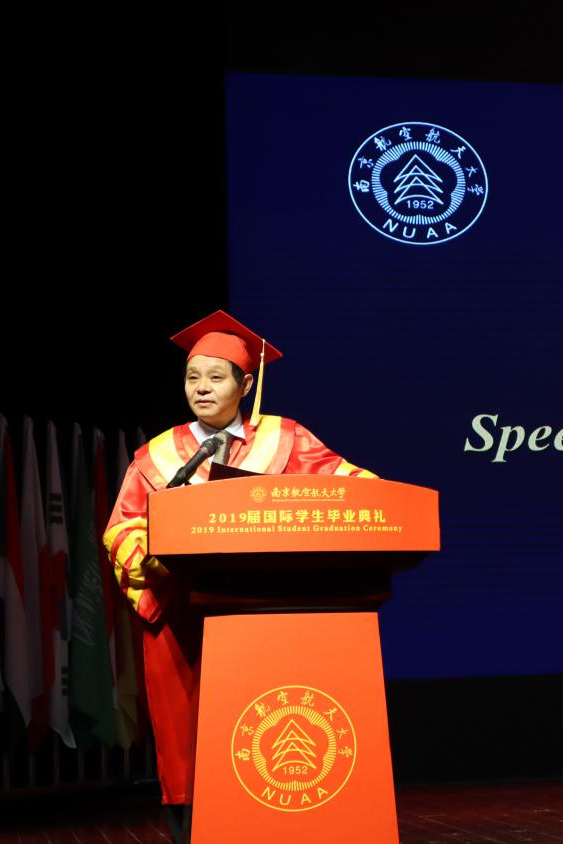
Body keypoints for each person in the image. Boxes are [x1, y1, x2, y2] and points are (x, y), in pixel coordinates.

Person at [102, 310, 375, 841]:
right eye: (192, 377)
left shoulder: (287, 440)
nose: (201, 388)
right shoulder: (159, 456)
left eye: (215, 377)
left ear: (246, 385)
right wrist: (155, 554)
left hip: (271, 614)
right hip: (184, 618)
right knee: (188, 742)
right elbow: (121, 529)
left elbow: (349, 485)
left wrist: (382, 498)